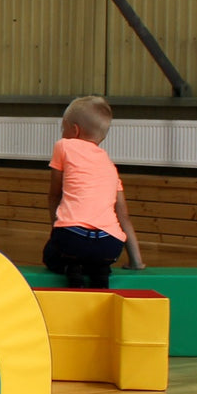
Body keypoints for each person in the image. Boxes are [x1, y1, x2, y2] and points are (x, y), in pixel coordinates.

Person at [43, 95, 145, 287]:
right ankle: (100, 271)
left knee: (51, 255)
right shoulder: (110, 167)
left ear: (74, 130)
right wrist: (136, 261)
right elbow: (124, 217)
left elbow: (54, 195)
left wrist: (56, 230)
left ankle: (71, 269)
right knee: (96, 258)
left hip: (72, 236)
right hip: (110, 244)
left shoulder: (64, 145)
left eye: (63, 127)